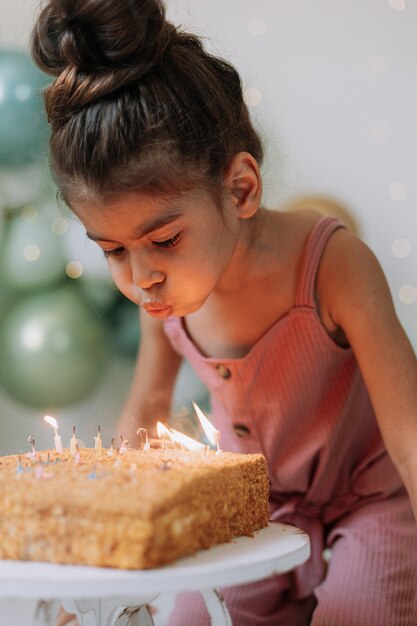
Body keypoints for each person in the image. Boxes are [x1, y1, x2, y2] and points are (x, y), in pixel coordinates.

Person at [31, 1, 417, 624]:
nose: (141, 277)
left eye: (164, 239)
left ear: (240, 188)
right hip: (253, 519)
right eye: (112, 251)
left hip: (372, 506)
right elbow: (145, 408)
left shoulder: (335, 266)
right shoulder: (160, 298)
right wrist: (102, 568)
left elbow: (410, 436)